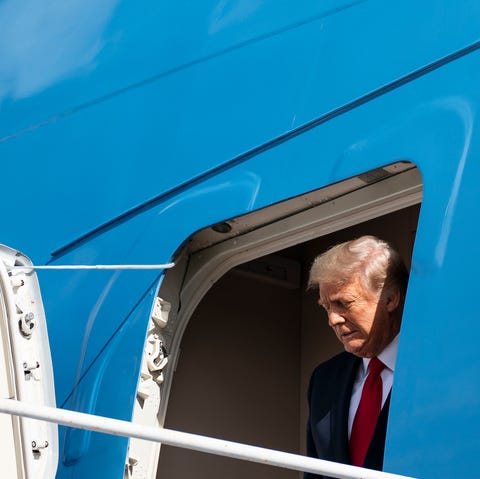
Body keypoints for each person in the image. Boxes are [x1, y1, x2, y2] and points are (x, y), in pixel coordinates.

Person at [305, 235, 408, 478]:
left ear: (391, 298)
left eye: (344, 303)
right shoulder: (324, 379)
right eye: (327, 307)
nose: (333, 319)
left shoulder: (436, 368)